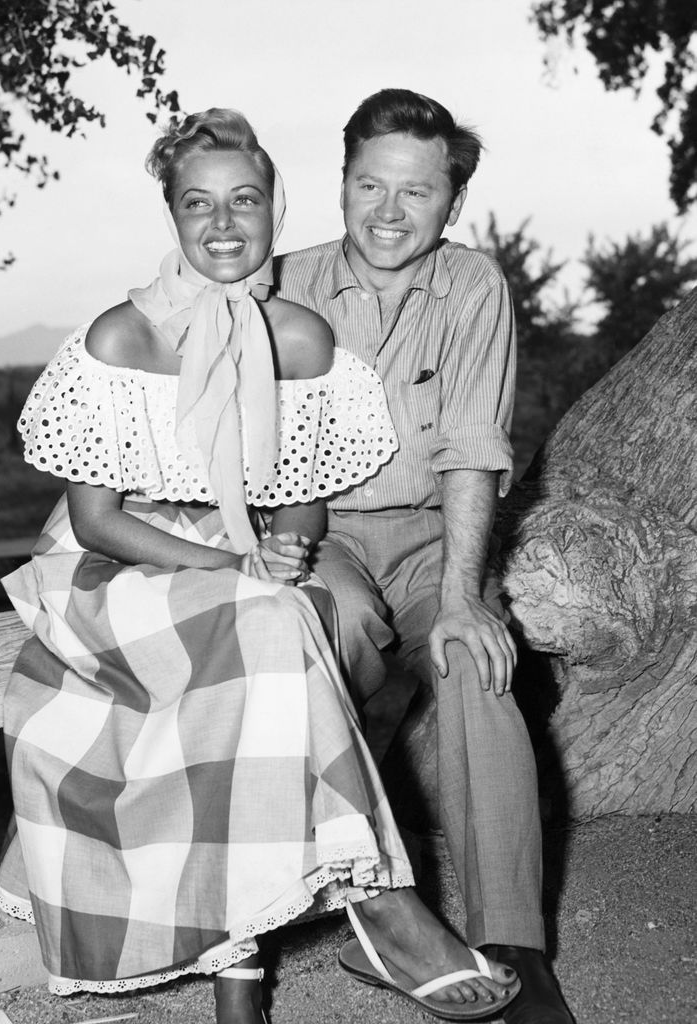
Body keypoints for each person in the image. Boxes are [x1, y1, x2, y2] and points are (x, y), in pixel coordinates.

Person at [0, 108, 521, 1024]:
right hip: (112, 569)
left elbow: (304, 477)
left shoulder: (303, 336)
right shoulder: (123, 337)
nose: (224, 224)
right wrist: (237, 560)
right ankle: (376, 903)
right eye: (198, 204)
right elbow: (97, 521)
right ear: (171, 216)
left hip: (231, 560)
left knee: (280, 623)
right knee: (275, 621)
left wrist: (288, 538)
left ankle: (242, 954)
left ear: (276, 208)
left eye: (244, 200)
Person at [275, 89, 575, 1024]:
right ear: (341, 183)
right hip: (314, 531)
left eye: (415, 191)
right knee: (337, 626)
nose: (387, 212)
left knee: (473, 661)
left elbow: (476, 449)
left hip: (429, 535)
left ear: (452, 201)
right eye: (369, 185)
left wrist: (460, 597)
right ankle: (373, 906)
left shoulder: (475, 288)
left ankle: (512, 944)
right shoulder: (279, 281)